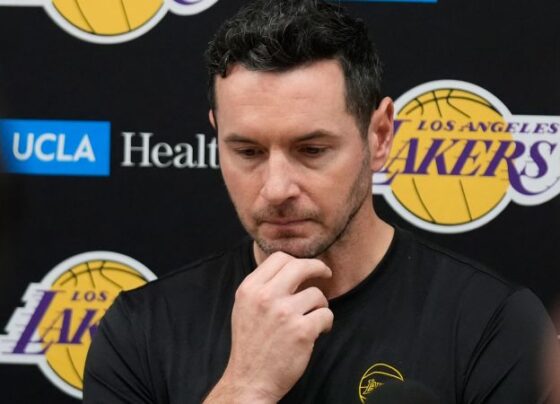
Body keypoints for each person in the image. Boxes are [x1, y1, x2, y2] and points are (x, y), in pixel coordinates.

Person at [83, 0, 558, 403]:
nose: (276, 188)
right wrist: (245, 386)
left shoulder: (494, 325)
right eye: (246, 151)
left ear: (380, 135)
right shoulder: (139, 331)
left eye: (311, 150)